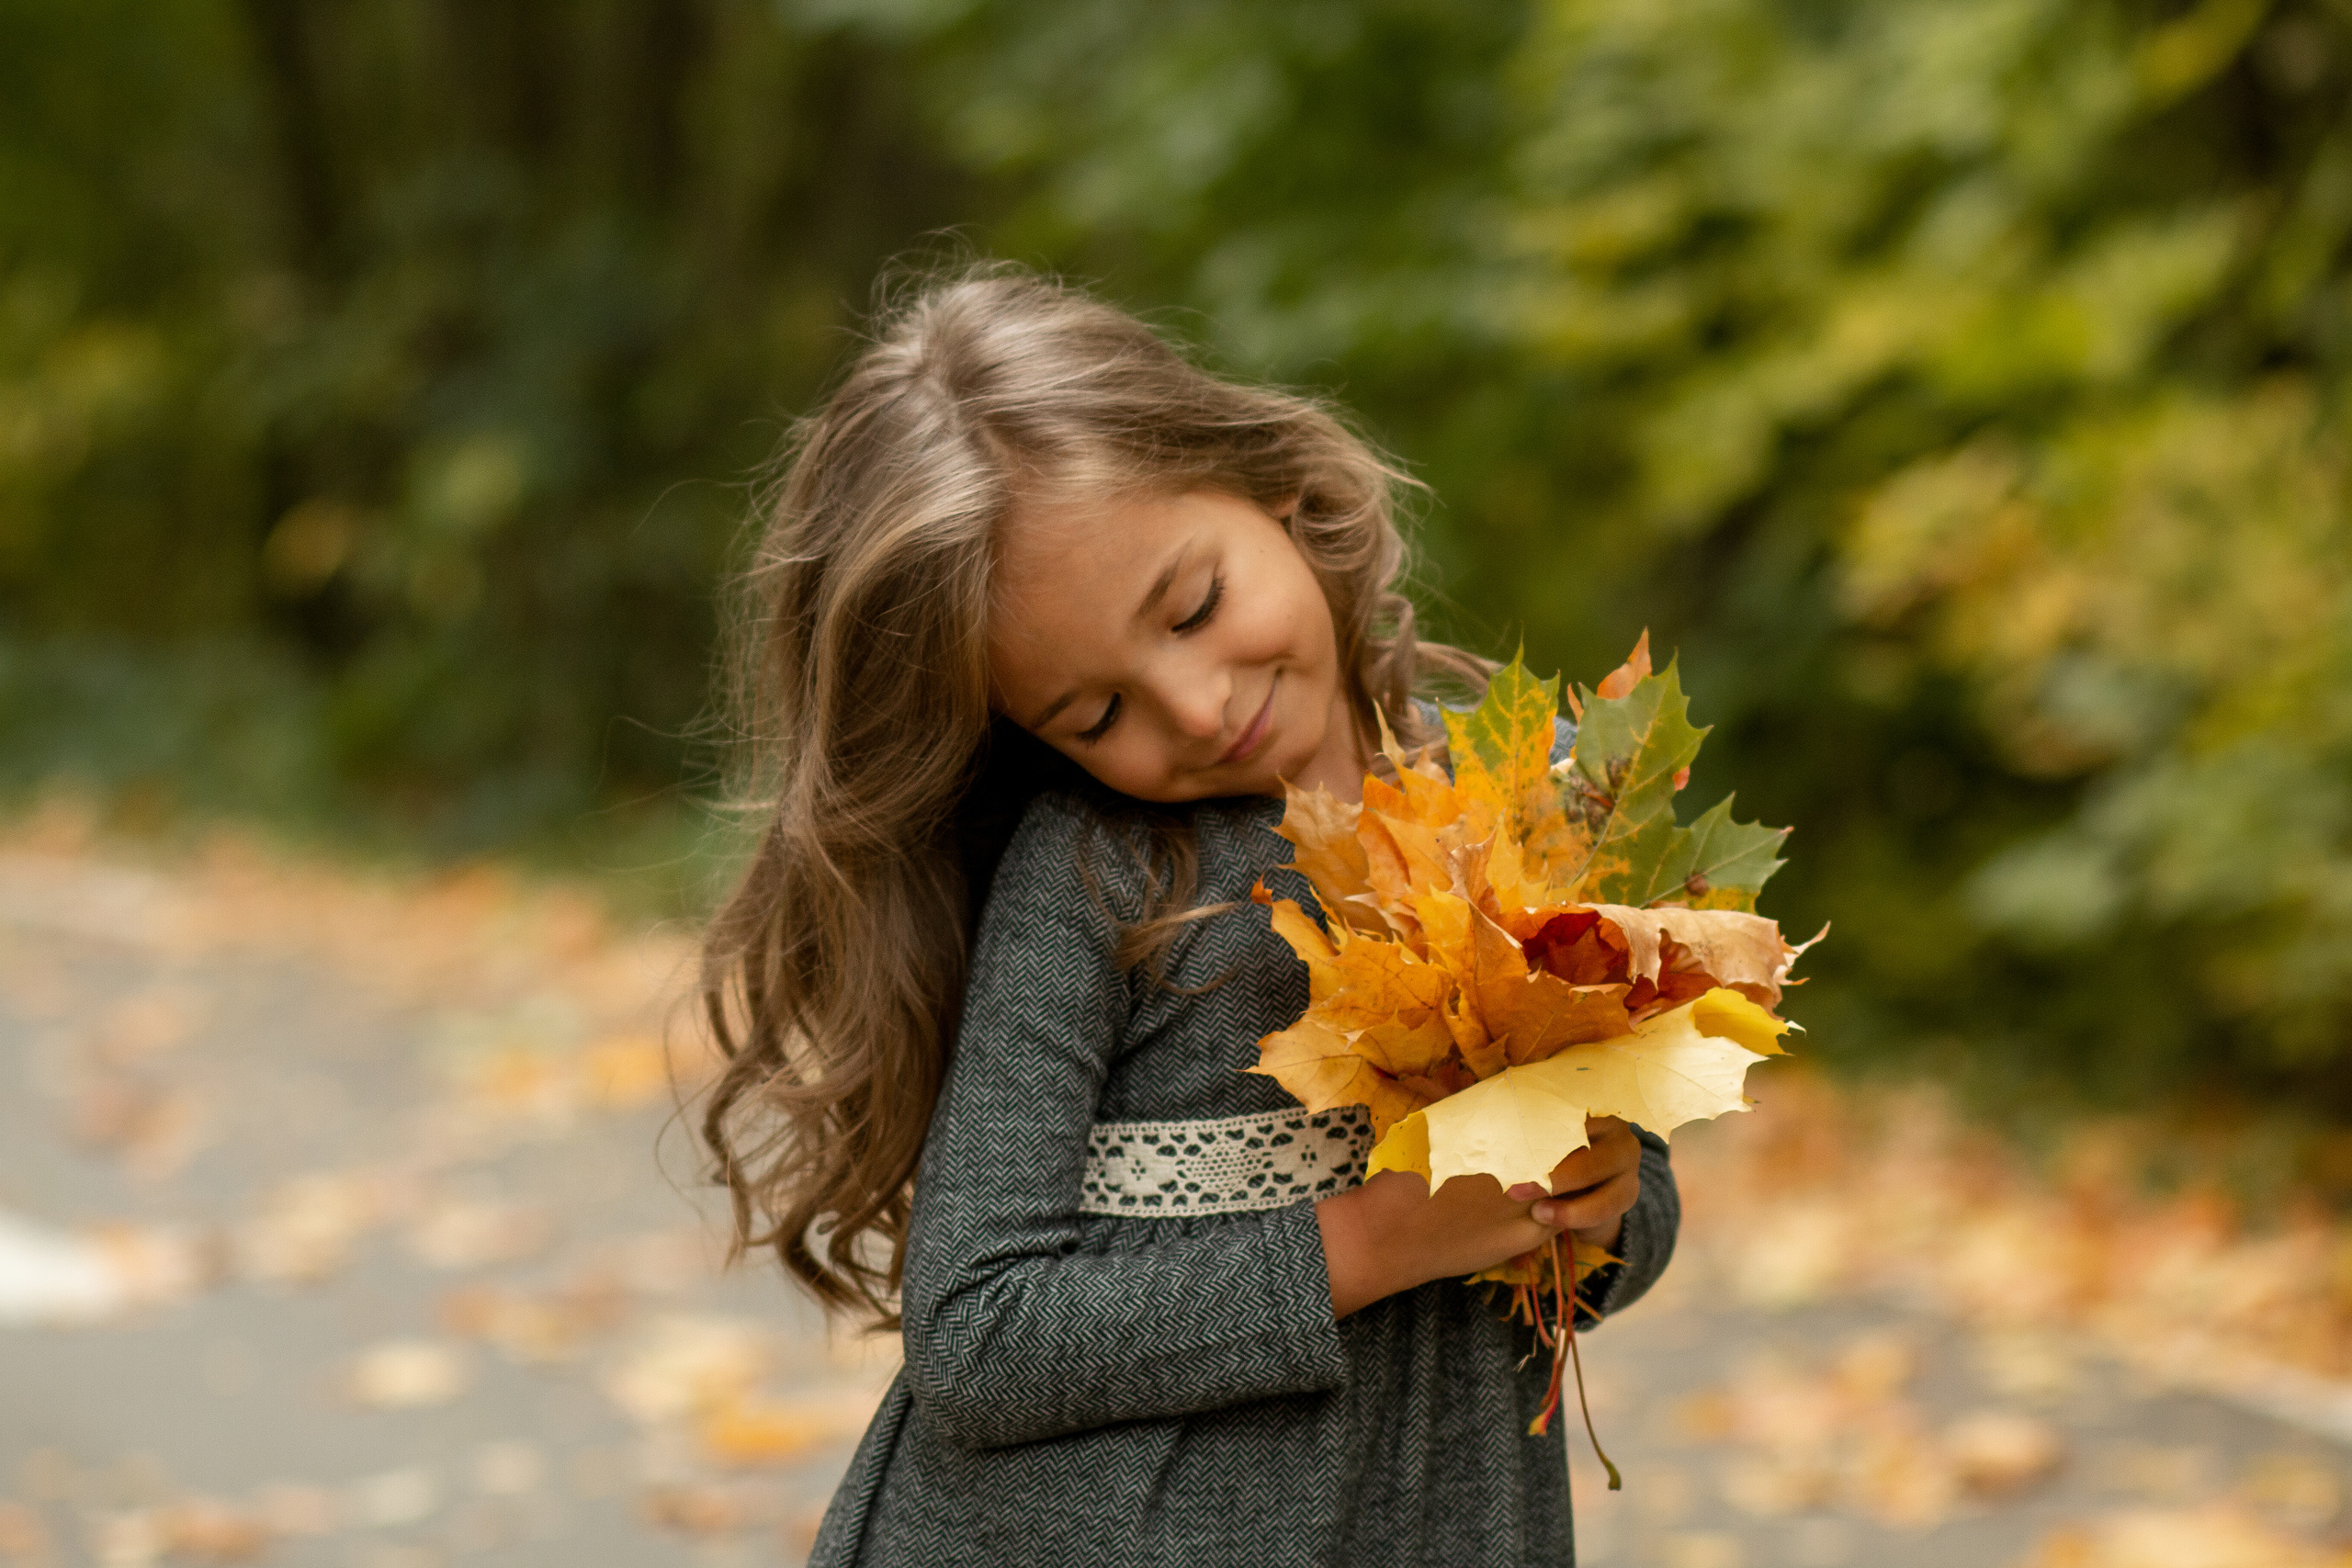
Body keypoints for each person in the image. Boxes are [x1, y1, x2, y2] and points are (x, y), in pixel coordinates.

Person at [695, 265, 1679, 1566]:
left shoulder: (1535, 795)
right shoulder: (1106, 876)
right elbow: (979, 1337)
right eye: (1097, 714)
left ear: (1272, 488)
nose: (1201, 708)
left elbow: (1638, 1197)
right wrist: (1373, 1242)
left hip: (1450, 1512)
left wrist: (1600, 1207)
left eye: (1196, 606)